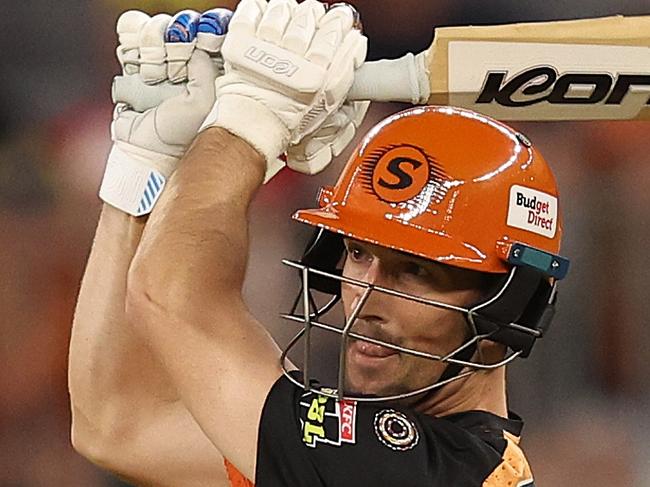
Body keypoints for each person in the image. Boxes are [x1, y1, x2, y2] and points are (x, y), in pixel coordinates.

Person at [68, 1, 569, 486]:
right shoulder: (387, 459)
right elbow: (118, 424)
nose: (366, 298)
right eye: (358, 253)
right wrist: (146, 164)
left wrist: (252, 115)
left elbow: (172, 296)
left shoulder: (420, 472)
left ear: (510, 309)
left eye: (416, 271)